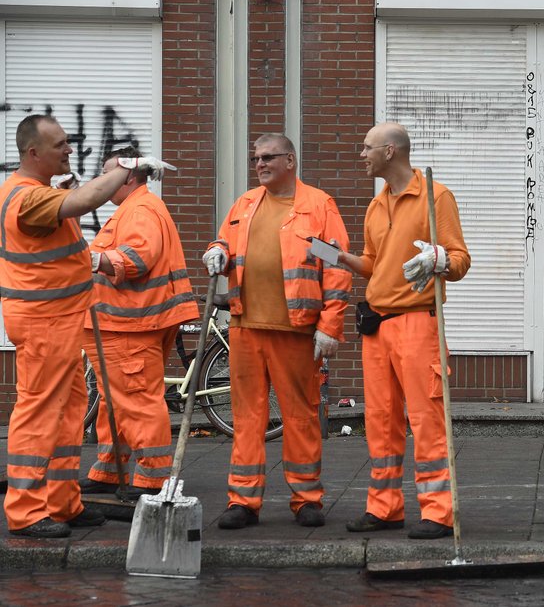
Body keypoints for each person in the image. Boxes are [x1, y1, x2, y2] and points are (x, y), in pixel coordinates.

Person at [1, 114, 173, 538]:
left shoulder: (37, 192)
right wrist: (126, 169)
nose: (69, 150)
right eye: (60, 144)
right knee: (39, 411)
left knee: (67, 411)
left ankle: (62, 502)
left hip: (59, 321)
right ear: (33, 152)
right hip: (44, 323)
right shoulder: (27, 198)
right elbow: (83, 203)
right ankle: (25, 510)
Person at [202, 133, 351, 529]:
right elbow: (225, 240)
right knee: (246, 416)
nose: (260, 165)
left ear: (290, 160)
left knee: (300, 416)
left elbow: (335, 266)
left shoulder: (317, 206)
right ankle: (243, 500)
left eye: (268, 158)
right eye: (255, 159)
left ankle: (306, 498)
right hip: (245, 325)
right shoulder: (246, 204)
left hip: (295, 331)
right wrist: (218, 250)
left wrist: (330, 325)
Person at [337, 122, 470, 540]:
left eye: (367, 147)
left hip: (417, 322)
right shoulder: (376, 206)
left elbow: (461, 260)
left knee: (425, 419)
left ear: (390, 151)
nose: (362, 154)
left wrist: (440, 258)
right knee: (380, 420)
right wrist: (341, 259)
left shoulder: (436, 196)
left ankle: (438, 512)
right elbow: (374, 263)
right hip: (378, 327)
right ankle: (385, 507)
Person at [77, 146, 199, 500]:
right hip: (126, 323)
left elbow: (135, 259)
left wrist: (89, 258)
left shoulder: (140, 209)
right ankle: (109, 471)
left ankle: (152, 479)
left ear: (128, 175)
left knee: (136, 401)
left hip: (130, 325)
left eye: (107, 173)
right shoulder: (135, 208)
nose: (101, 180)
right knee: (116, 401)